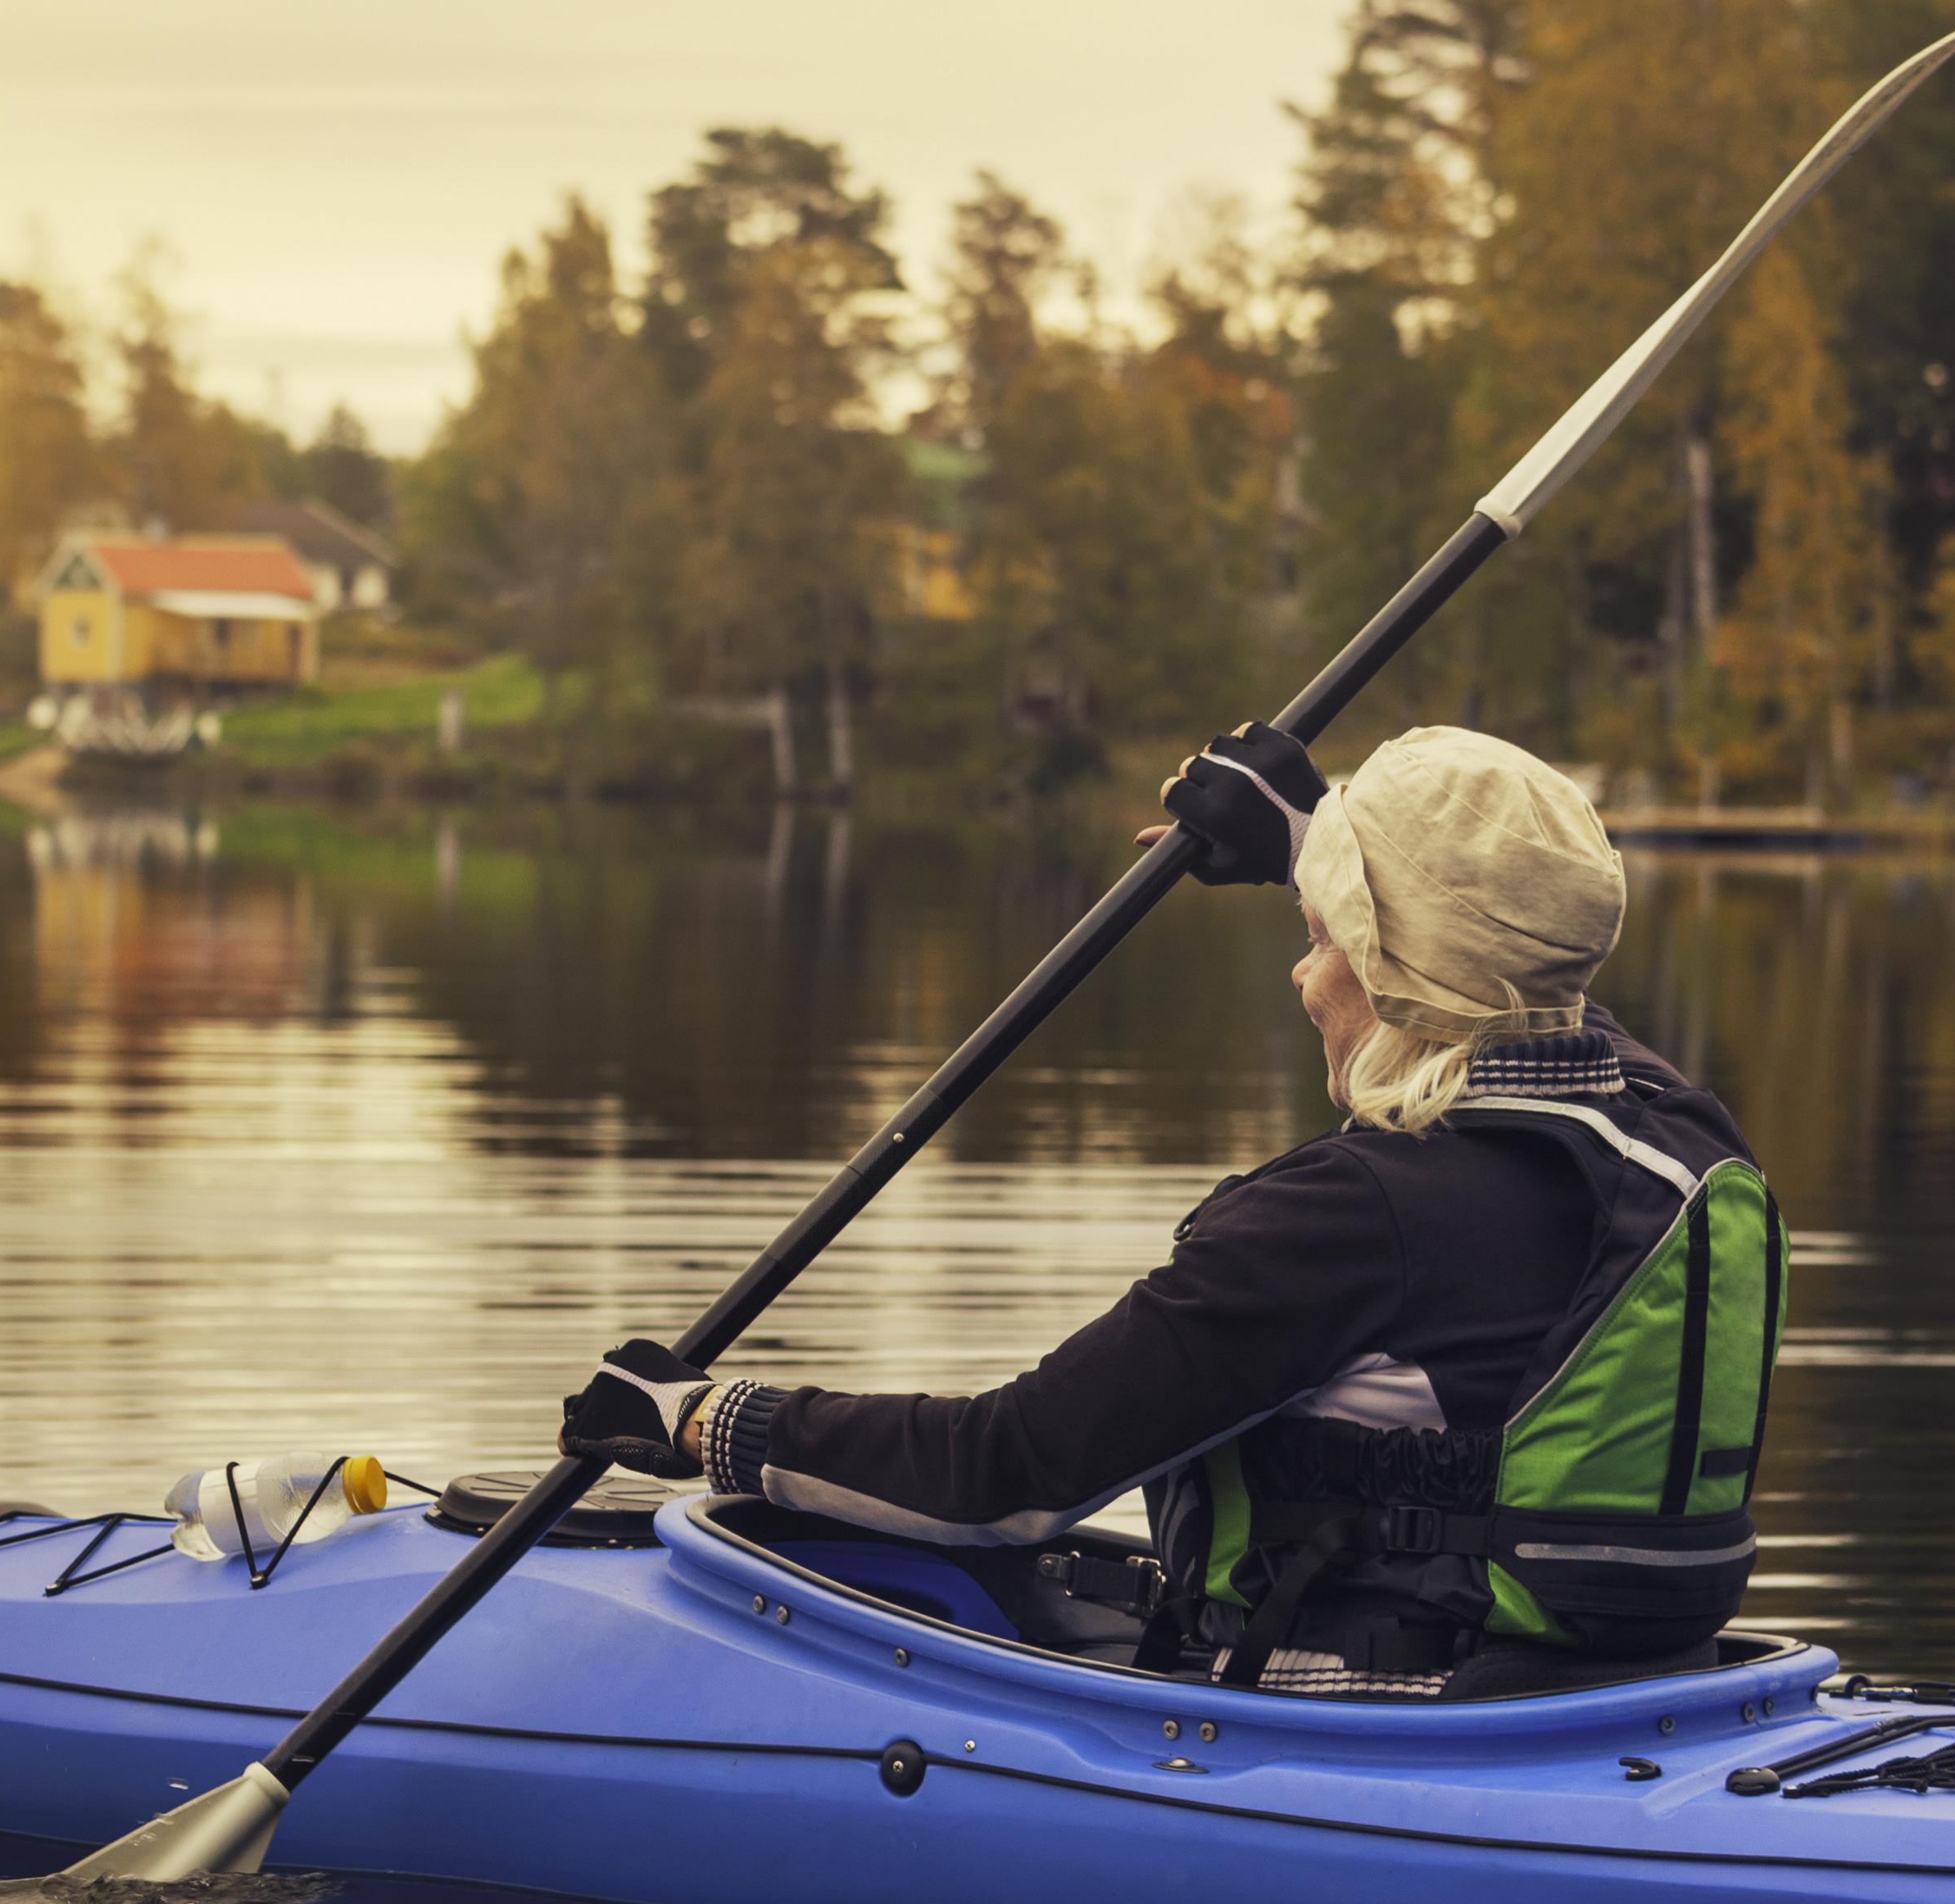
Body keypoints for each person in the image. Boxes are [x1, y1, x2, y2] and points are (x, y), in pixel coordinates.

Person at [562, 724, 1785, 1700]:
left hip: (1372, 1724)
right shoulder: (1675, 1133)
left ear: (1396, 969)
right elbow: (1523, 972)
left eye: (1323, 937)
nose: (1301, 975)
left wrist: (697, 1418)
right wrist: (1312, 840)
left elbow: (1003, 1478)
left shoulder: (1351, 1216)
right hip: (1626, 1694)